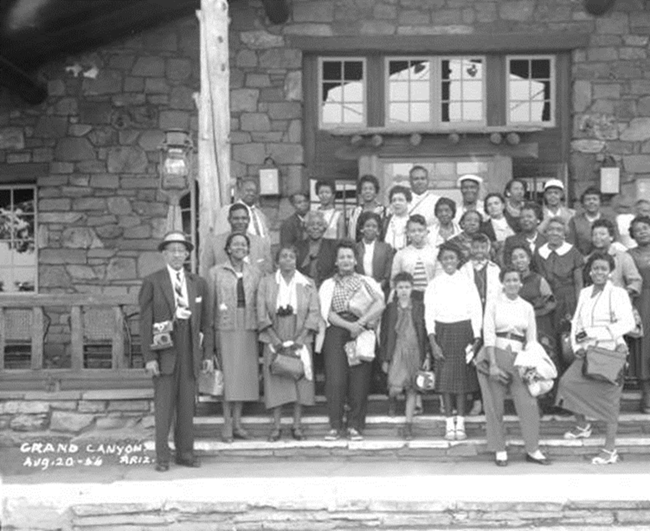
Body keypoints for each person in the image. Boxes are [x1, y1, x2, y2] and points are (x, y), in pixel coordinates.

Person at [139, 231, 213, 472]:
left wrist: (208, 355)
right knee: (164, 407)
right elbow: (144, 322)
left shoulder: (197, 283)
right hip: (164, 351)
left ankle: (185, 453)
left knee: (186, 407)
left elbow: (206, 323)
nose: (177, 255)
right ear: (164, 254)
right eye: (172, 250)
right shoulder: (153, 281)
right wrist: (149, 358)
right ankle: (162, 457)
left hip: (191, 349)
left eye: (182, 251)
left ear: (187, 254)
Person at [556, 252, 635, 465]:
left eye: (603, 268)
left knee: (610, 402)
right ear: (589, 271)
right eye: (595, 268)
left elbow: (627, 323)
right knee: (567, 384)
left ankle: (610, 450)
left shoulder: (618, 293)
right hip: (587, 351)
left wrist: (599, 334)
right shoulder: (584, 292)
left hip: (611, 352)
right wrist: (577, 346)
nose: (599, 272)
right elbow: (576, 323)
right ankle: (583, 426)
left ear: (609, 272)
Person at [477, 267, 550, 467]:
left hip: (520, 358)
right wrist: (492, 364)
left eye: (515, 280)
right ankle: (500, 449)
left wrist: (530, 364)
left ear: (521, 283)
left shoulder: (526, 307)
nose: (512, 284)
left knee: (528, 404)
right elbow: (489, 334)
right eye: (508, 280)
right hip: (497, 354)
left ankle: (533, 449)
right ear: (503, 282)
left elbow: (532, 339)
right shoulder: (493, 304)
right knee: (494, 405)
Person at [319, 241, 386, 441]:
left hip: (362, 331)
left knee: (359, 379)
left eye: (349, 257)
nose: (346, 260)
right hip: (337, 332)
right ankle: (336, 425)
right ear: (336, 261)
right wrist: (349, 327)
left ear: (356, 260)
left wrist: (361, 323)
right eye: (342, 257)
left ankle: (355, 425)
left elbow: (380, 304)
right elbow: (327, 312)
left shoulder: (367, 281)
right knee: (336, 380)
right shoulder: (328, 284)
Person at [257, 245, 320, 442]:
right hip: (274, 334)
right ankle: (276, 426)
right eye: (283, 256)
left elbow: (314, 311)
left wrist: (301, 338)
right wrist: (274, 338)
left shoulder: (308, 283)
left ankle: (297, 425)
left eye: (292, 256)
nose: (288, 260)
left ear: (296, 260)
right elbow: (260, 311)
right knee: (276, 378)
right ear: (277, 261)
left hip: (300, 334)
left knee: (299, 379)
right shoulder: (266, 283)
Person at [425, 243, 482, 441]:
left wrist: (476, 338)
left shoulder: (467, 282)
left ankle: (461, 423)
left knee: (461, 382)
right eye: (445, 258)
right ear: (440, 261)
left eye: (452, 258)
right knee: (446, 381)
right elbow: (429, 314)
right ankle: (449, 423)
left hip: (463, 331)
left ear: (458, 260)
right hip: (442, 332)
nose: (449, 262)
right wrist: (432, 341)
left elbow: (476, 310)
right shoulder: (434, 284)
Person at [208, 232, 261, 443]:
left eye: (243, 244)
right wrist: (210, 330)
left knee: (244, 377)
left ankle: (238, 423)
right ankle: (227, 423)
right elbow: (210, 303)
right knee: (228, 376)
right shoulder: (215, 273)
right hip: (225, 325)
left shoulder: (255, 273)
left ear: (248, 249)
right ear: (228, 248)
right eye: (235, 244)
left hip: (249, 325)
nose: (240, 247)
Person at [379, 272, 428, 440]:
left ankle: (408, 425)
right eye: (400, 287)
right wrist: (385, 358)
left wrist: (426, 355)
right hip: (397, 350)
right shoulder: (391, 308)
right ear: (395, 289)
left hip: (414, 350)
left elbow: (425, 332)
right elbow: (384, 334)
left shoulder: (419, 307)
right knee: (396, 387)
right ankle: (392, 399)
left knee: (412, 389)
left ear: (412, 288)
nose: (404, 290)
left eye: (407, 287)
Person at [534, 217, 584, 359]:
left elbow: (579, 283)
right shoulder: (539, 253)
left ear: (564, 234)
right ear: (546, 233)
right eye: (551, 229)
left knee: (567, 342)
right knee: (547, 339)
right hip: (547, 300)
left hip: (568, 300)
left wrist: (579, 306)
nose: (554, 233)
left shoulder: (573, 252)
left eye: (559, 230)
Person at [202, 203, 273, 276]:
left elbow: (268, 273)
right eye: (236, 218)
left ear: (248, 220)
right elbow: (206, 272)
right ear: (229, 220)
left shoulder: (261, 243)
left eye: (244, 218)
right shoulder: (214, 243)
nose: (240, 222)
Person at [509, 244, 556, 342]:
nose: (519, 261)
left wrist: (533, 314)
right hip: (518, 328)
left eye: (522, 257)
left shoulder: (539, 280)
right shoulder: (509, 283)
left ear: (529, 260)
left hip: (540, 325)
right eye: (515, 258)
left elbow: (552, 304)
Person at [628, 215, 650, 413]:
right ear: (632, 235)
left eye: (645, 227)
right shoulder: (629, 255)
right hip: (642, 302)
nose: (642, 231)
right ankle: (647, 395)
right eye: (638, 229)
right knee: (645, 348)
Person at [588, 219, 641, 296]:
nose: (598, 237)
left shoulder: (623, 257)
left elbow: (635, 282)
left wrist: (622, 295)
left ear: (611, 237)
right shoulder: (588, 259)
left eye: (602, 234)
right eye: (594, 234)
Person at [391, 215, 437, 297]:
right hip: (409, 297)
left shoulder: (435, 252)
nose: (417, 233)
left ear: (426, 231)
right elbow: (394, 279)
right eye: (413, 231)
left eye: (420, 230)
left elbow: (440, 278)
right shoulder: (401, 254)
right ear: (407, 233)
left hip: (431, 296)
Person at [567, 187, 617, 256]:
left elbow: (616, 242)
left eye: (595, 199)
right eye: (588, 200)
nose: (591, 202)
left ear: (600, 202)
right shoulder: (575, 221)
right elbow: (571, 244)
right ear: (583, 203)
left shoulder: (610, 220)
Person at [355, 211, 394, 295]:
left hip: (381, 290)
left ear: (378, 231)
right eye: (367, 226)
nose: (370, 229)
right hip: (360, 291)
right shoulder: (355, 248)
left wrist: (378, 287)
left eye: (374, 226)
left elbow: (388, 271)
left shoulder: (386, 248)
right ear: (362, 229)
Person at [295, 210, 338, 288]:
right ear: (306, 227)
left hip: (327, 288)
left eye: (319, 224)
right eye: (311, 224)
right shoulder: (297, 247)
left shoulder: (333, 246)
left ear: (324, 228)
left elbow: (336, 270)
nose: (315, 227)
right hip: (303, 288)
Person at [347, 175, 387, 242]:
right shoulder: (355, 212)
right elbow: (350, 235)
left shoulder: (384, 212)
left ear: (376, 192)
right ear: (360, 192)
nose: (367, 191)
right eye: (364, 189)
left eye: (371, 189)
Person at [482, 192, 517, 265]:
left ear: (503, 205)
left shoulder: (516, 222)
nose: (493, 206)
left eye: (496, 203)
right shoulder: (483, 228)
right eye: (489, 205)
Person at [383, 185, 412, 251]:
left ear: (408, 202)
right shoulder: (385, 222)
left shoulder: (413, 222)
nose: (397, 203)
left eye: (401, 200)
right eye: (394, 200)